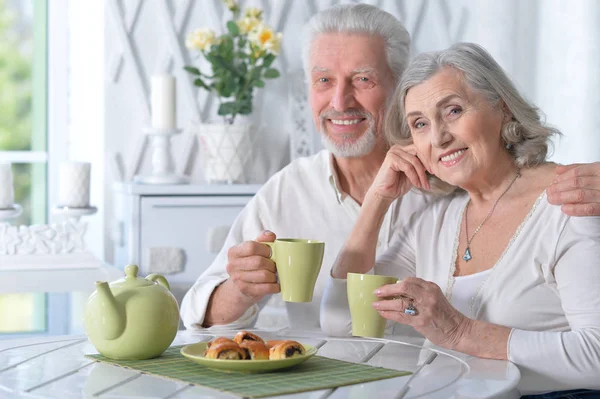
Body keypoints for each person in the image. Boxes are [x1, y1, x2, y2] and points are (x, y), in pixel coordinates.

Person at [180, 3, 600, 332]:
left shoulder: (456, 175)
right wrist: (240, 288)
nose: (340, 102)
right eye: (323, 80)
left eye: (363, 80)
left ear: (403, 87)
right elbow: (200, 317)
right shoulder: (288, 190)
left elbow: (532, 191)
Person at [321, 42, 600, 396]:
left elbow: (596, 357)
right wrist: (377, 200)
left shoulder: (571, 201)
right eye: (419, 124)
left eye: (453, 111)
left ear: (502, 108)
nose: (438, 137)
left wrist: (460, 333)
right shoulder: (434, 219)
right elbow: (341, 323)